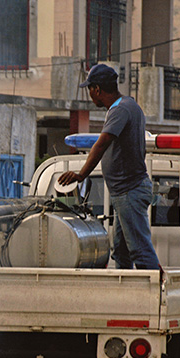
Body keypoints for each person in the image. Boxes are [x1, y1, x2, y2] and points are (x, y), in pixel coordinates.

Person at [57, 64, 160, 270]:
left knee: (139, 250)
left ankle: (153, 297)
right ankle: (127, 297)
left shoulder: (120, 110)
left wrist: (81, 175)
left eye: (89, 89)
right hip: (126, 191)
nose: (90, 95)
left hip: (129, 191)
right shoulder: (128, 105)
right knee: (121, 251)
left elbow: (102, 143)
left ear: (97, 89)